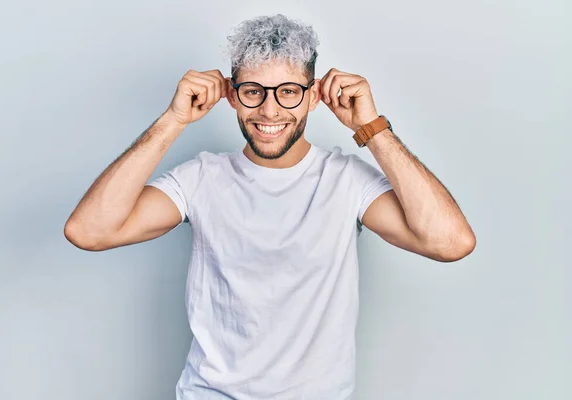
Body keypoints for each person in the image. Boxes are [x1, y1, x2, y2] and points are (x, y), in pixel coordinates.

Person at [64, 14, 476, 400]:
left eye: (289, 92)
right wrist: (173, 120)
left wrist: (371, 128)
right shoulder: (200, 178)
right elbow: (90, 231)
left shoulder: (346, 180)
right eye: (253, 91)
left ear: (313, 96)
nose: (270, 109)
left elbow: (450, 242)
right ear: (232, 94)